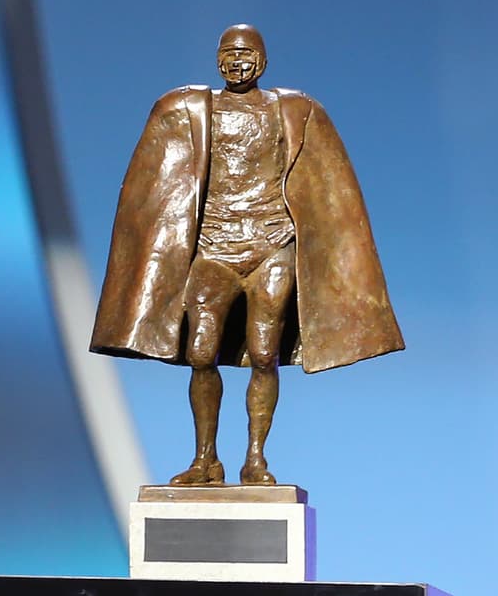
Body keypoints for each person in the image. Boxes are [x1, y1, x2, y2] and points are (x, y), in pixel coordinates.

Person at [90, 24, 402, 486]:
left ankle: (255, 458)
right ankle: (205, 459)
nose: (238, 62)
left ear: (264, 60)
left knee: (263, 353)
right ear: (218, 60)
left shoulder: (294, 110)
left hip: (271, 245)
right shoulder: (191, 108)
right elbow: (150, 191)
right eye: (230, 54)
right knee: (200, 353)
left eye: (247, 53)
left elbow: (332, 190)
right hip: (214, 247)